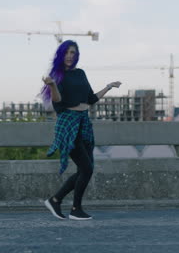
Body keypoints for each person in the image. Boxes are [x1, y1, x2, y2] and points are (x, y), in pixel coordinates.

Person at [40, 40, 121, 220]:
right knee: (87, 169)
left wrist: (108, 87)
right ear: (62, 55)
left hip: (84, 124)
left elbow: (91, 99)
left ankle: (56, 200)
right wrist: (52, 85)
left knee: (84, 169)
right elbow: (58, 101)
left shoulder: (81, 73)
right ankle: (75, 209)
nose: (70, 56)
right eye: (67, 52)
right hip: (69, 125)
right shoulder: (57, 76)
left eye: (73, 53)